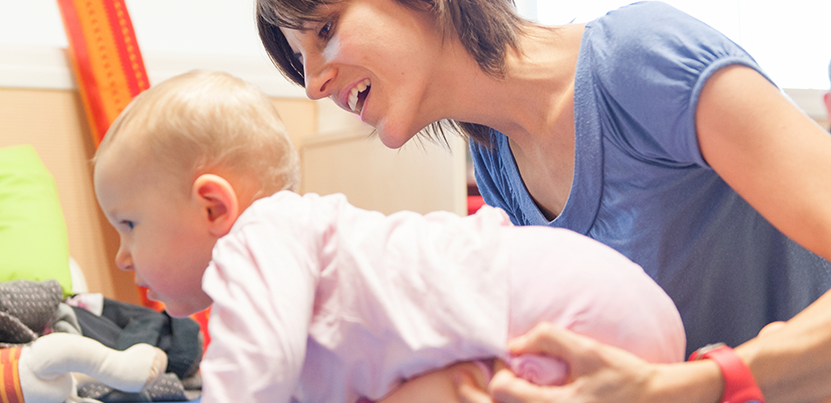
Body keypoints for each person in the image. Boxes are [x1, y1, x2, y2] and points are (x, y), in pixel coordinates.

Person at [253, 0, 831, 402]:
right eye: (299, 58)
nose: (311, 86)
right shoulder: (498, 163)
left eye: (325, 28)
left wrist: (692, 387)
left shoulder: (642, 59)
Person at [91, 69, 686, 403]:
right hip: (598, 307)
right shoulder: (299, 265)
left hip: (554, 302)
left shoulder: (260, 234)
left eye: (129, 224)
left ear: (214, 206)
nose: (121, 256)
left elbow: (255, 371)